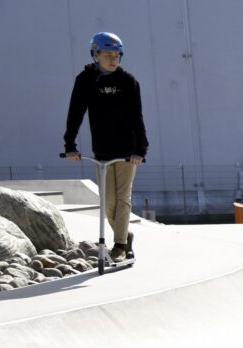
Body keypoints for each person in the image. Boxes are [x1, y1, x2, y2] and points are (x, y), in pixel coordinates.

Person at [64, 32, 148, 262]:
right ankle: (125, 235)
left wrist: (140, 150)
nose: (113, 60)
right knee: (108, 202)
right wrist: (70, 145)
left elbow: (137, 117)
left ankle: (119, 246)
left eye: (117, 55)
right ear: (96, 55)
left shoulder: (128, 81)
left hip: (128, 153)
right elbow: (75, 113)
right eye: (108, 55)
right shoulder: (86, 80)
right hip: (102, 151)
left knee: (123, 199)